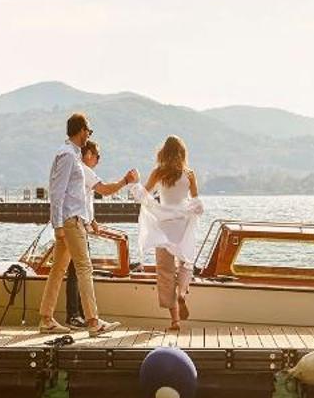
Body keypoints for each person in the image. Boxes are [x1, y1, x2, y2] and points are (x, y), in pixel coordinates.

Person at [38, 113, 135, 333]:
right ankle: (93, 322)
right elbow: (57, 192)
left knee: (59, 269)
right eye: (88, 131)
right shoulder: (67, 156)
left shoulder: (72, 156)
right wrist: (58, 225)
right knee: (84, 267)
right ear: (81, 130)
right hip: (71, 221)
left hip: (73, 220)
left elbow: (71, 192)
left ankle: (46, 319)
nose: (88, 135)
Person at [129, 135, 202, 332]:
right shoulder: (190, 174)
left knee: (165, 273)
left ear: (163, 152)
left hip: (163, 227)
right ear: (182, 152)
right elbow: (196, 203)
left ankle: (175, 321)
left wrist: (135, 183)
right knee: (186, 262)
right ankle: (182, 295)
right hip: (182, 226)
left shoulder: (159, 172)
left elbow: (142, 194)